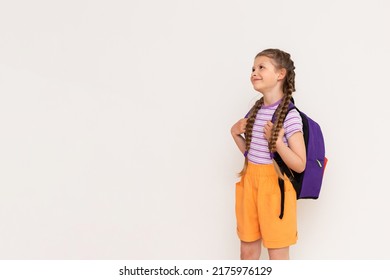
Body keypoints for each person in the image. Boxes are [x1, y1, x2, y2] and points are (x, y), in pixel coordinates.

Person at [230, 49, 306, 260]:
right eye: (253, 68)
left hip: (276, 189)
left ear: (280, 74)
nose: (254, 72)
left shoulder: (290, 116)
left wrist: (278, 142)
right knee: (247, 252)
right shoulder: (255, 111)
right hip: (250, 183)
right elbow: (252, 153)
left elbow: (300, 164)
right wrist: (235, 134)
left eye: (261, 67)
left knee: (277, 255)